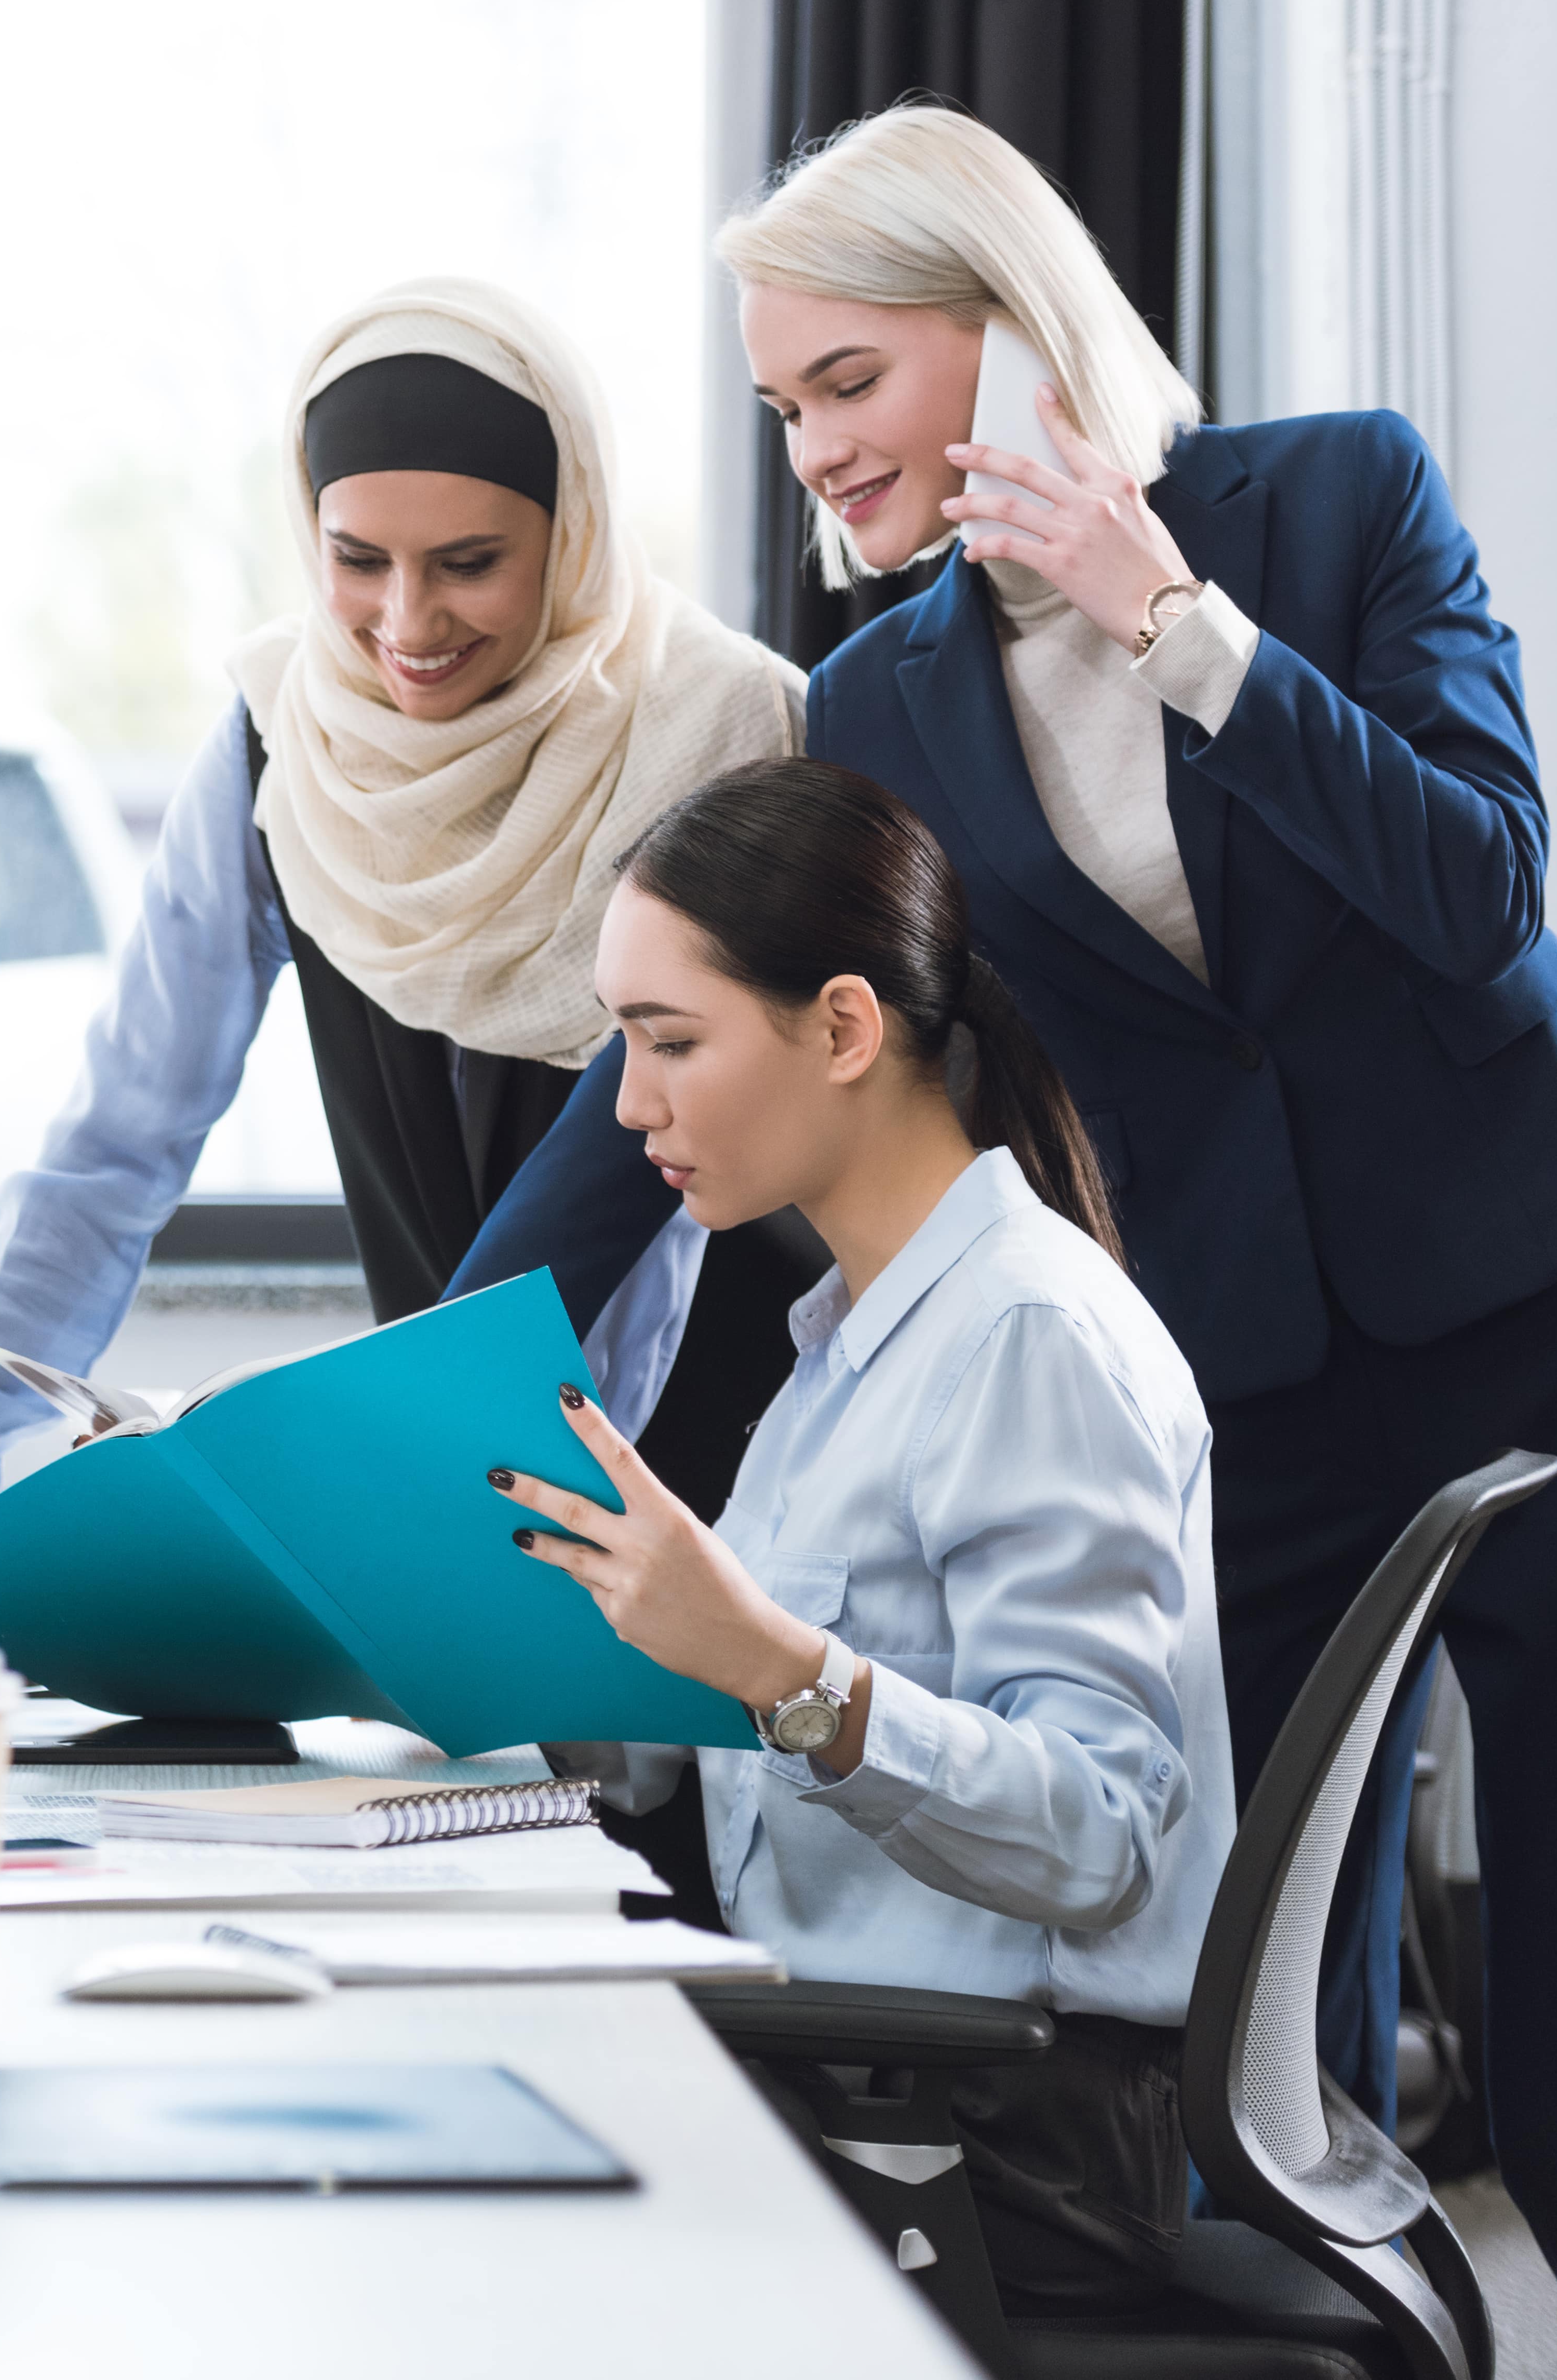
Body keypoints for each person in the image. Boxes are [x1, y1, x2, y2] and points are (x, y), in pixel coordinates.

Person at [460, 102, 1557, 2363]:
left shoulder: (1335, 504)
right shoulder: (882, 702)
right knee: (1254, 2077)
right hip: (1260, 1388)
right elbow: (697, 1047)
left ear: (1012, 333)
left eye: (850, 383)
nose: (814, 453)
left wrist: (1173, 622)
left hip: (1554, 1324)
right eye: (782, 407)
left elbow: (1479, 894)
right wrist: (435, 1363)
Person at [0, 279, 804, 1657]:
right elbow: (109, 1153)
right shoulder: (275, 743)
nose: (405, 622)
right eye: (357, 558)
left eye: (470, 561)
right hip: (454, 1469)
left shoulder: (722, 732)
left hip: (709, 1486)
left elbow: (626, 1212)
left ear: (574, 533)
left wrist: (427, 1500)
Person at [500, 759, 1226, 2314]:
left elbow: (1100, 1831)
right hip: (863, 2082)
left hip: (988, 2143)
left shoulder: (1025, 1337)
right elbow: (774, 1734)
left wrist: (773, 1670)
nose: (630, 1104)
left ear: (841, 1027)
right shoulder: (848, 1342)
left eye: (668, 1043)